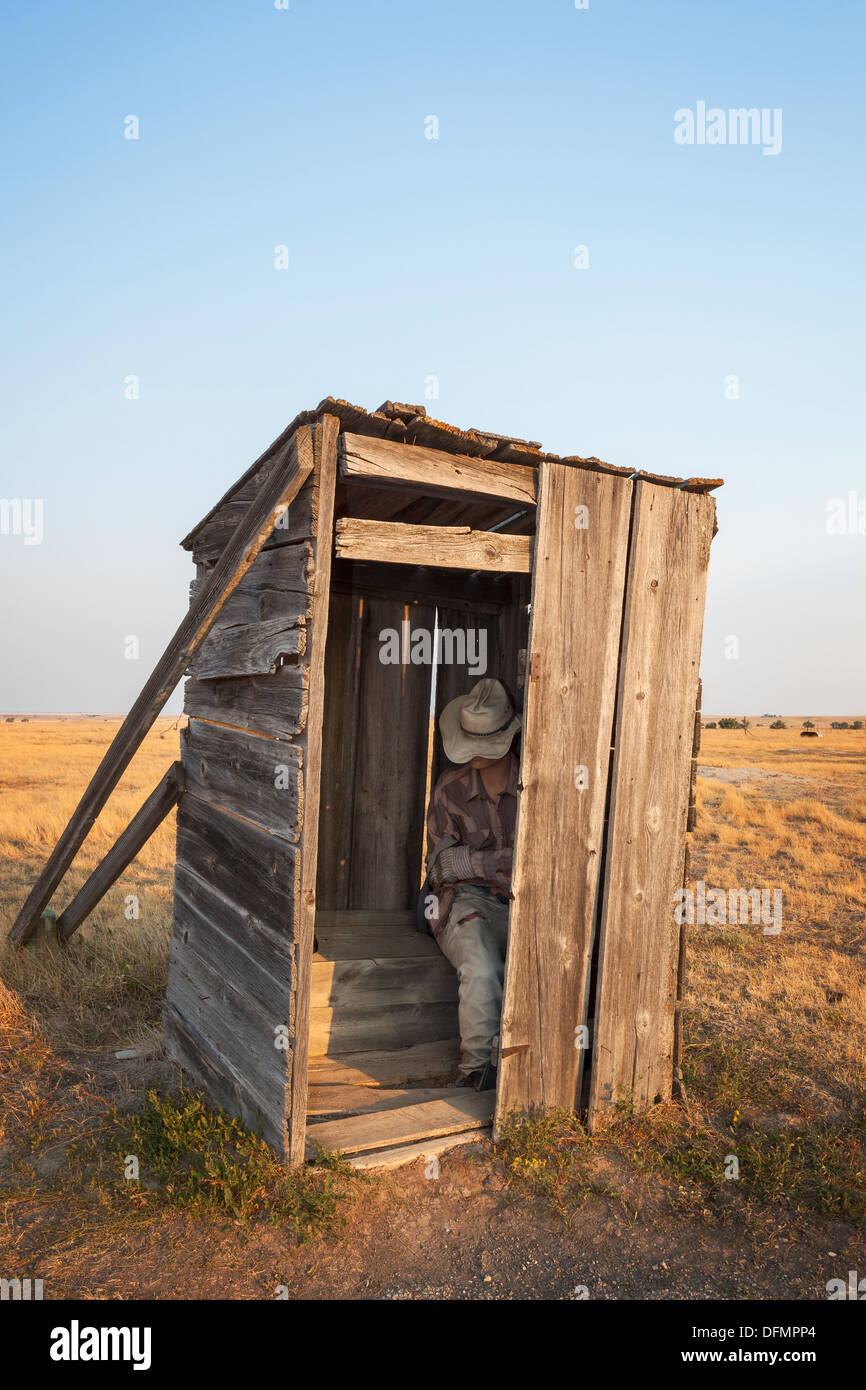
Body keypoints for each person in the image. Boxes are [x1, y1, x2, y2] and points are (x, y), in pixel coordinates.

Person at [425, 676, 521, 1091]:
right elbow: (442, 869)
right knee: (482, 968)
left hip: (526, 903)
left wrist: (474, 860)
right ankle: (478, 1075)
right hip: (465, 901)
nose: (475, 754)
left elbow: (538, 865)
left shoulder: (536, 787)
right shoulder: (451, 789)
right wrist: (494, 866)